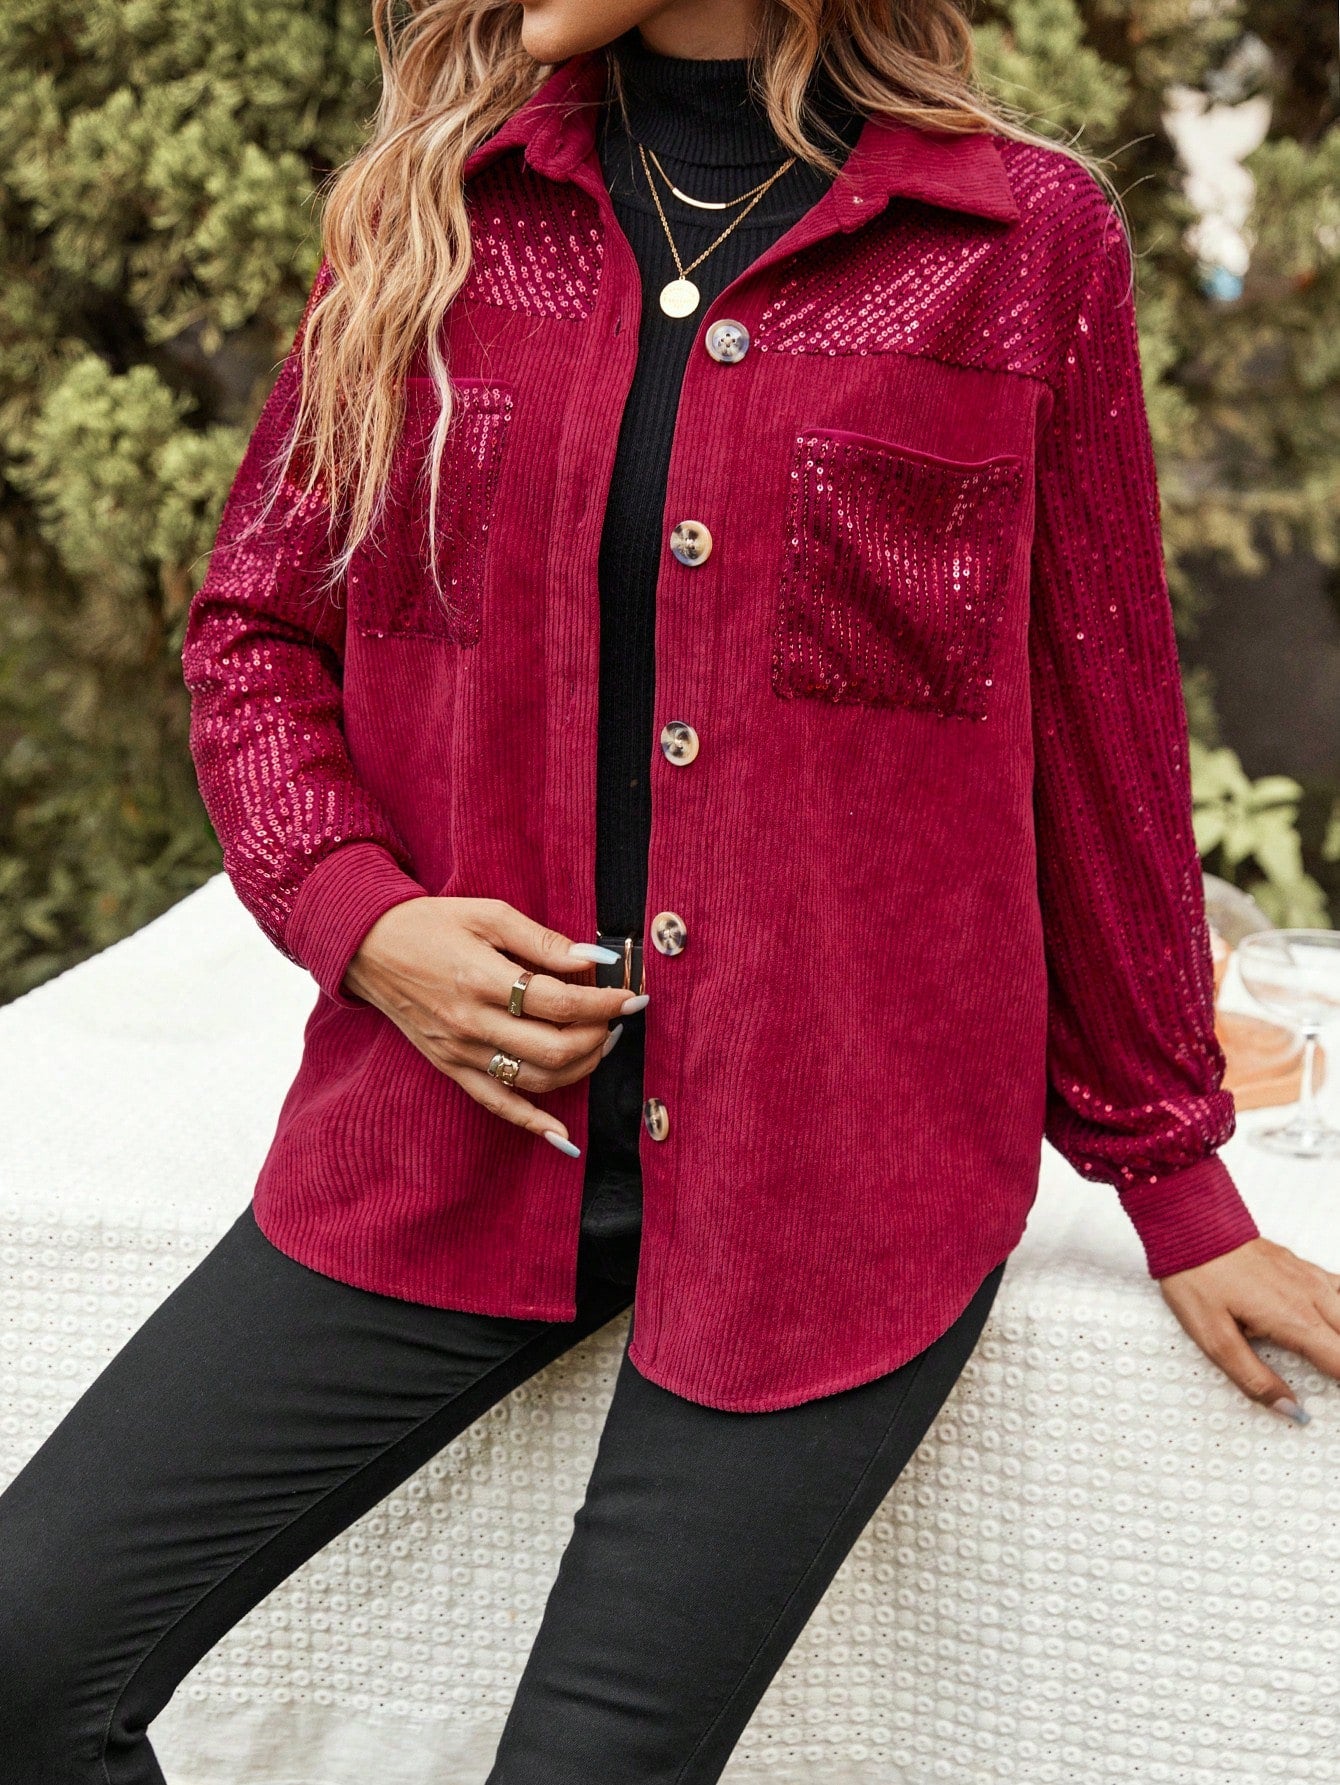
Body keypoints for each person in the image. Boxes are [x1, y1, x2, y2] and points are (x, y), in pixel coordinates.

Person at [3, 1, 1338, 1780]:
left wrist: (1175, 1177)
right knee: (22, 1659)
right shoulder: (433, 209)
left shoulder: (1018, 241)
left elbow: (1094, 723)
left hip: (835, 1182)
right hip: (455, 1145)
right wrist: (362, 917)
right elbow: (260, 629)